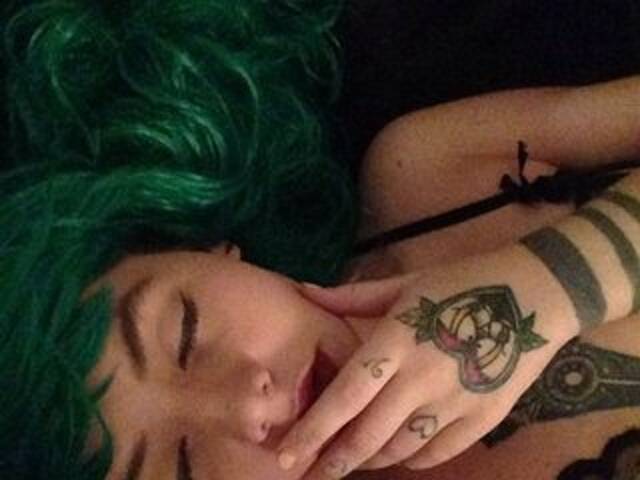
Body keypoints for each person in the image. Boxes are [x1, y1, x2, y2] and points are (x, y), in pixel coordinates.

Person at [2, 2, 640, 480]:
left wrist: (558, 279)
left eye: (186, 333)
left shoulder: (426, 174)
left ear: (207, 248)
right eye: (185, 467)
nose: (246, 405)